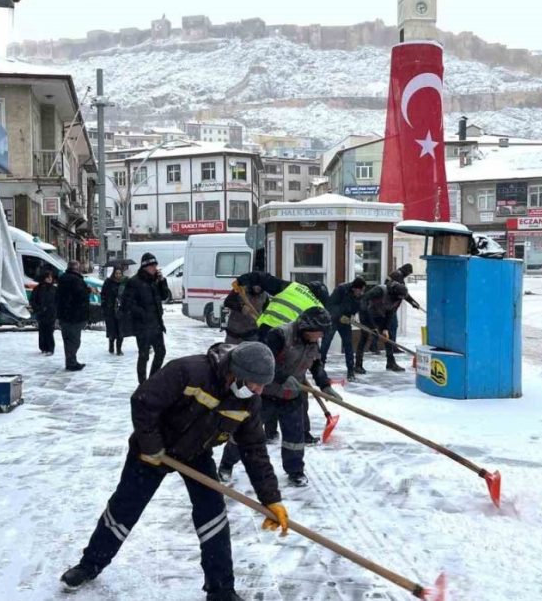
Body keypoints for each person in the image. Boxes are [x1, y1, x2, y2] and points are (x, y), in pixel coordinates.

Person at [59, 342, 288, 601]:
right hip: (151, 449)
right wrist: (152, 446)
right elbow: (143, 401)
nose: (259, 390)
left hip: (195, 453)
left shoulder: (249, 403)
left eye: (262, 385)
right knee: (125, 508)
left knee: (213, 514)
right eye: (255, 383)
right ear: (236, 372)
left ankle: (221, 590)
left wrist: (271, 499)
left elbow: (255, 449)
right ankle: (89, 565)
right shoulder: (190, 371)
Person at [218, 308, 342, 488]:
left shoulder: (313, 342)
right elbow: (264, 362)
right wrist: (283, 378)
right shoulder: (280, 335)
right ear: (307, 327)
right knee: (246, 432)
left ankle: (295, 471)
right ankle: (226, 465)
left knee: (294, 437)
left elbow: (316, 365)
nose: (321, 335)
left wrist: (325, 385)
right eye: (319, 331)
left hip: (292, 397)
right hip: (266, 394)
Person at [121, 252, 172, 385]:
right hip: (142, 326)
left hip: (156, 324)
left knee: (161, 352)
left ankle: (153, 380)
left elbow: (164, 296)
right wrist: (143, 313)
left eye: (156, 265)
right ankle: (143, 383)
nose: (155, 268)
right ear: (145, 267)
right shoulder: (134, 282)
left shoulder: (154, 280)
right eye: (152, 266)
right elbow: (127, 304)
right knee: (144, 355)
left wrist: (162, 281)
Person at [357, 281, 409, 373]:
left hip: (381, 315)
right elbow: (363, 300)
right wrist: (372, 326)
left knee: (389, 337)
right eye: (396, 298)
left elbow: (390, 312)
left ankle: (391, 363)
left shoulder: (398, 297)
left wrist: (385, 328)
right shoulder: (380, 291)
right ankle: (358, 365)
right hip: (367, 313)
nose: (397, 300)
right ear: (392, 293)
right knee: (364, 338)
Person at [320, 277, 366, 378]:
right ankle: (319, 369)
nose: (362, 292)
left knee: (348, 345)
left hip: (345, 322)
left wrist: (352, 316)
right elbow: (330, 306)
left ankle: (350, 371)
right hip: (332, 320)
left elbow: (357, 308)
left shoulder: (359, 297)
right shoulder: (341, 290)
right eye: (360, 290)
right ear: (354, 288)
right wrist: (339, 316)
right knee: (325, 343)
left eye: (363, 290)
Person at [56, 260, 90, 371]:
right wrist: (87, 290)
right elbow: (80, 296)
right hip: (74, 315)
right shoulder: (76, 280)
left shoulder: (63, 278)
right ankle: (71, 362)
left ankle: (70, 361)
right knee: (74, 340)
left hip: (64, 315)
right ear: (76, 268)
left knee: (68, 340)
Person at [385, 264, 422, 352]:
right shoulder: (398, 276)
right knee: (393, 325)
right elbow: (403, 293)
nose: (408, 275)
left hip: (389, 305)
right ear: (405, 270)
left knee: (386, 326)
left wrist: (413, 302)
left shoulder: (396, 274)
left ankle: (376, 345)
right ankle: (392, 347)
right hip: (390, 306)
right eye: (408, 273)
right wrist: (412, 302)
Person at [31, 270, 58, 356]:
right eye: (48, 277)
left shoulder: (54, 289)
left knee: (49, 331)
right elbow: (33, 300)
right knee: (42, 330)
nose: (50, 279)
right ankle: (43, 347)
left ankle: (50, 348)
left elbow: (58, 300)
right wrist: (38, 308)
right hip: (41, 313)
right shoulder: (38, 289)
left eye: (51, 277)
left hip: (51, 313)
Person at [100, 267, 126, 355]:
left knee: (121, 331)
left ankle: (119, 349)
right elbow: (103, 294)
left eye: (120, 273)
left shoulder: (124, 283)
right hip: (110, 310)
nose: (118, 275)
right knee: (112, 331)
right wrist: (105, 305)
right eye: (116, 273)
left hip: (121, 310)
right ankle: (111, 346)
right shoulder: (108, 282)